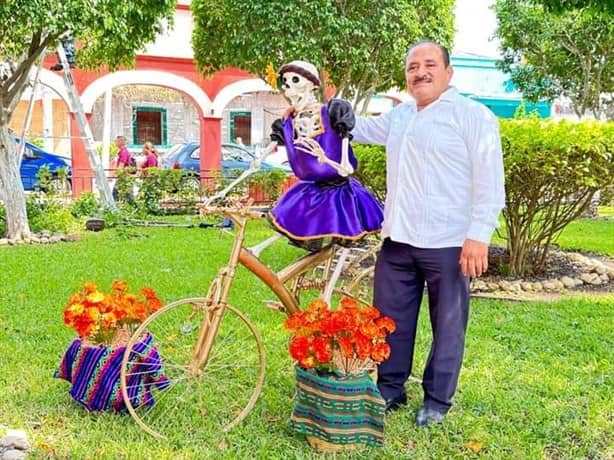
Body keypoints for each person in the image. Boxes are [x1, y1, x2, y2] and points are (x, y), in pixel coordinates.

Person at [350, 41, 505, 426]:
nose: (420, 72)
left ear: (448, 73)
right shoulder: (401, 116)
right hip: (399, 239)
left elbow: (490, 182)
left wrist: (478, 235)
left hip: (449, 242)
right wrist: (333, 115)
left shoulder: (473, 117)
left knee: (448, 325)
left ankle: (437, 399)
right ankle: (390, 389)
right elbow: (362, 130)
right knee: (389, 321)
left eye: (429, 64)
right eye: (412, 67)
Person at [268, 60, 384, 251]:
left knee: (343, 232)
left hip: (340, 193)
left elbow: (345, 168)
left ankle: (335, 272)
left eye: (295, 79)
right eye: (285, 80)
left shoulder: (331, 111)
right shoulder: (287, 121)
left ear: (311, 85)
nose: (288, 85)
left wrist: (326, 159)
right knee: (298, 224)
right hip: (311, 188)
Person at [112, 135, 136, 203]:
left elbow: (121, 165)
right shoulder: (123, 151)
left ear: (120, 142)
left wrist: (115, 174)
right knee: (127, 194)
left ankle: (113, 208)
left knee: (116, 192)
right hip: (125, 176)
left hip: (124, 176)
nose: (115, 142)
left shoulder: (123, 152)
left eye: (116, 141)